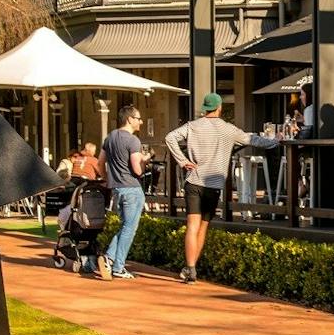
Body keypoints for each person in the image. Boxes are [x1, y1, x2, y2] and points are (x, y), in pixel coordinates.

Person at [165, 93, 278, 283]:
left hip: (194, 180)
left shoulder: (192, 126)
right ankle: (192, 267)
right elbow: (253, 140)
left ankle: (190, 269)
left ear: (204, 108)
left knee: (192, 225)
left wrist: (183, 161)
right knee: (203, 226)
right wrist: (276, 141)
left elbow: (170, 137)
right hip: (214, 183)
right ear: (219, 108)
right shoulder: (228, 129)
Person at [100, 105, 146, 280]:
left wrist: (107, 179)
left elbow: (100, 163)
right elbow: (137, 170)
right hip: (132, 188)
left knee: (125, 226)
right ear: (130, 119)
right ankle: (118, 266)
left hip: (117, 188)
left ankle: (109, 258)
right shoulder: (133, 141)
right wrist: (144, 160)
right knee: (129, 228)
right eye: (138, 118)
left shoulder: (110, 137)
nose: (140, 121)